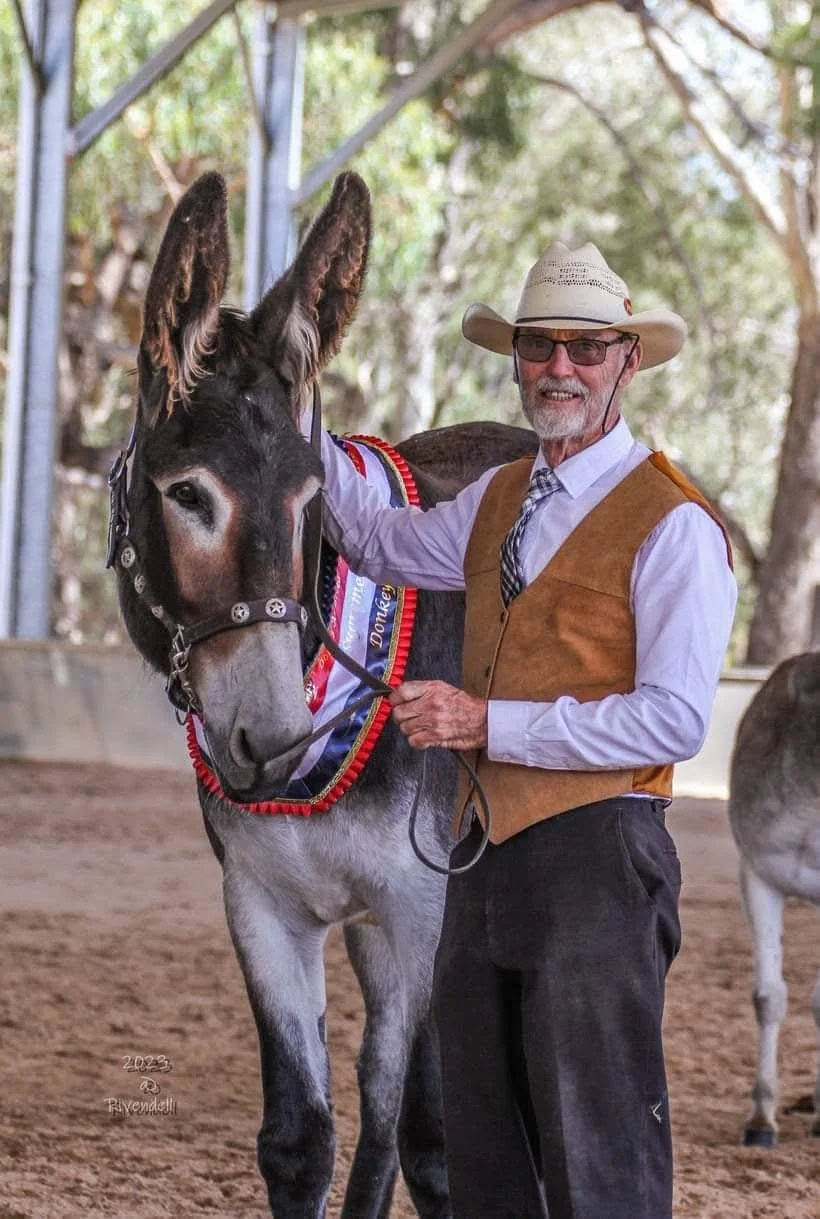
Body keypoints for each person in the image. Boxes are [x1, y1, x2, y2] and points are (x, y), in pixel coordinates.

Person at [307, 241, 737, 1219]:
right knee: (481, 1147)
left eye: (587, 349)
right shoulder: (500, 497)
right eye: (540, 345)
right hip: (481, 857)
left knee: (599, 1150)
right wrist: (294, 422)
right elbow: (379, 540)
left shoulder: (672, 524)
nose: (560, 368)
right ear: (514, 358)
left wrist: (481, 721)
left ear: (628, 362)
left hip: (600, 855)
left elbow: (670, 719)